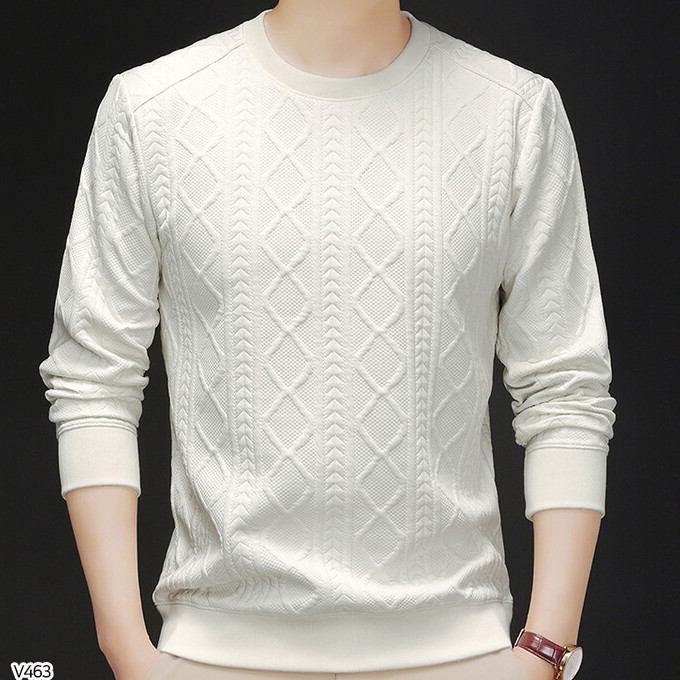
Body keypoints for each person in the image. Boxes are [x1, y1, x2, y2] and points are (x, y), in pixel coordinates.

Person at [38, 1, 616, 679]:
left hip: (463, 654)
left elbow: (565, 385)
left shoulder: (514, 112)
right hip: (212, 656)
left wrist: (544, 653)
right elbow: (94, 378)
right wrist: (131, 655)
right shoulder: (152, 110)